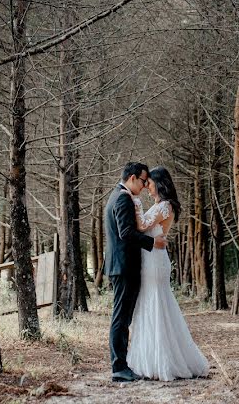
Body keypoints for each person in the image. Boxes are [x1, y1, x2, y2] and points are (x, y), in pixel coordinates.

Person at [127, 166, 210, 381]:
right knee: (150, 303)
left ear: (159, 183)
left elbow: (143, 225)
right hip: (152, 257)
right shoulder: (160, 205)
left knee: (155, 303)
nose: (147, 187)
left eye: (150, 183)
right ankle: (150, 358)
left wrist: (135, 204)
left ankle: (162, 360)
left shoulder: (164, 206)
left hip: (154, 261)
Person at [104, 161, 167, 382]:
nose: (143, 186)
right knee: (121, 318)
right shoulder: (122, 198)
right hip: (123, 267)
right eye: (142, 180)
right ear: (132, 178)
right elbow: (126, 232)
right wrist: (153, 244)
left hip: (122, 266)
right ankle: (119, 367)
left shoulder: (118, 195)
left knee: (123, 317)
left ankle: (121, 364)